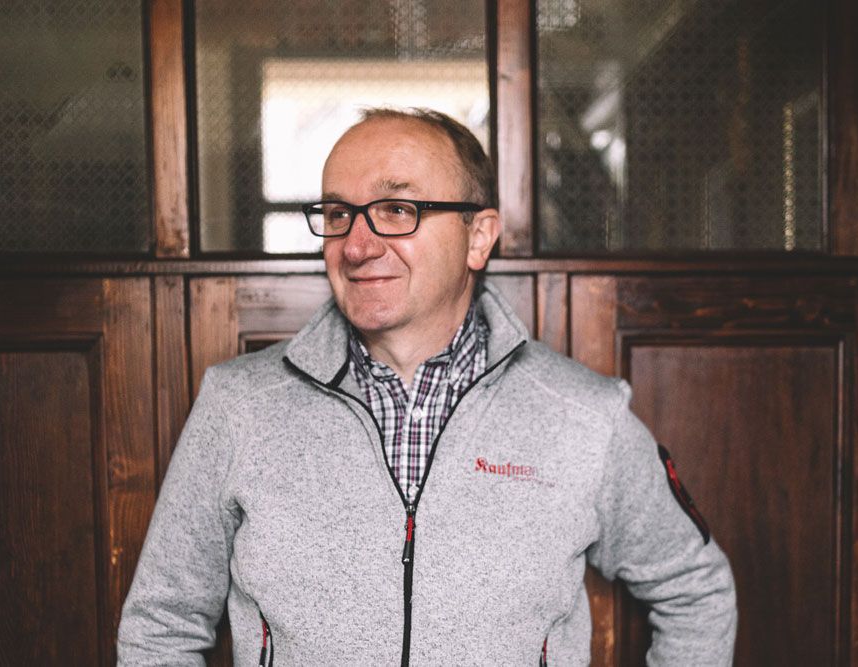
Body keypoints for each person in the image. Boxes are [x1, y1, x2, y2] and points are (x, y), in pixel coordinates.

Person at [117, 108, 736, 665]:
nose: (357, 245)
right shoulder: (239, 406)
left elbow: (695, 591)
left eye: (397, 210)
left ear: (478, 236)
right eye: (338, 214)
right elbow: (161, 626)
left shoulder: (583, 416)